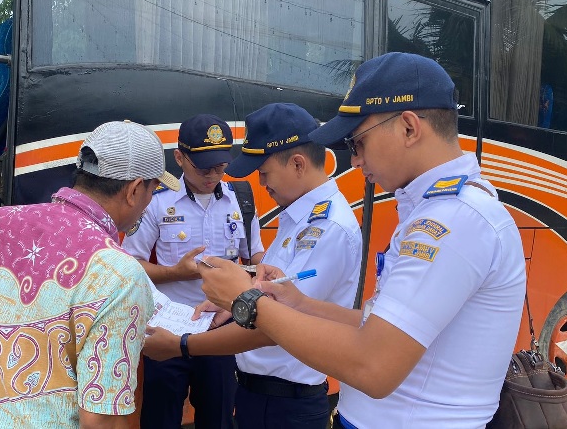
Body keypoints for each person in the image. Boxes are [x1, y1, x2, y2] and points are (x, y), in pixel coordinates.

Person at [196, 52, 527, 428]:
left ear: (408, 128)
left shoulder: (452, 220)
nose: (354, 161)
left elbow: (373, 365)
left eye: (357, 143)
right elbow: (376, 326)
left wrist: (248, 302)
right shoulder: (439, 211)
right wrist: (298, 302)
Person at [0, 120, 180, 428]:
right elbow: (101, 420)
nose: (149, 202)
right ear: (135, 189)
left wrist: (5, 363)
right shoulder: (120, 274)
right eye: (153, 190)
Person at [142, 103, 361, 429]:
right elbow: (273, 291)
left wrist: (183, 345)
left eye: (265, 172)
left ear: (298, 164)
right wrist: (230, 305)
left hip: (287, 402)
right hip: (258, 392)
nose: (261, 183)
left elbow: (274, 326)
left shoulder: (328, 228)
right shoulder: (295, 217)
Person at [121, 113, 265, 429]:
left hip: (221, 329)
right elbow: (130, 266)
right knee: (160, 419)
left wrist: (249, 277)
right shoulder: (155, 202)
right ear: (180, 158)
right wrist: (176, 273)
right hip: (167, 328)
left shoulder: (240, 199)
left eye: (221, 166)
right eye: (203, 166)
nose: (213, 174)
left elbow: (256, 260)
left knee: (219, 419)